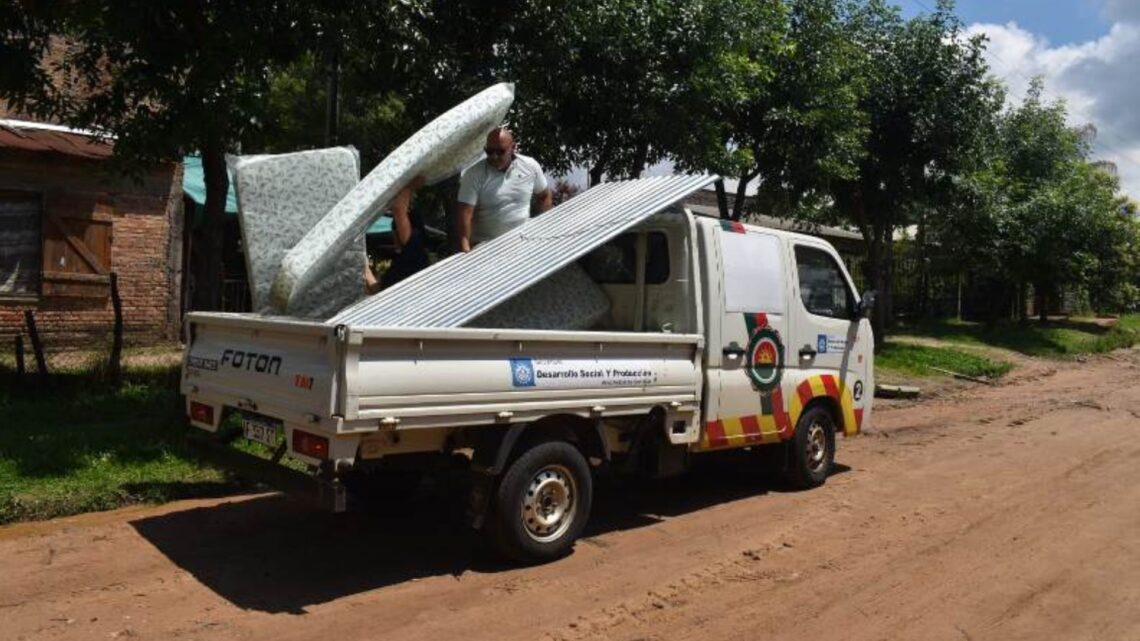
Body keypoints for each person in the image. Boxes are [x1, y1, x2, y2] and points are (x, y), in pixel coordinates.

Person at [455, 127, 553, 252]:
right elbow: (465, 213)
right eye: (489, 151)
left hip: (524, 240)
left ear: (513, 148)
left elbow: (544, 196)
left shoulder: (530, 166)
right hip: (487, 246)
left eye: (500, 151)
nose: (494, 156)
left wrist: (546, 226)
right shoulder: (473, 174)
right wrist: (465, 248)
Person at [365, 175, 429, 293]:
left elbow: (399, 208)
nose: (392, 237)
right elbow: (379, 291)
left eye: (394, 230)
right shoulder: (412, 259)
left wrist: (411, 185)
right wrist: (365, 270)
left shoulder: (414, 254)